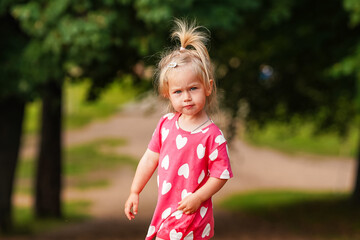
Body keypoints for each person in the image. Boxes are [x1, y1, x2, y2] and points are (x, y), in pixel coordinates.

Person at [124, 19, 233, 240]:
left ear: (208, 87)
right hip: (165, 213)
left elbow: (220, 175)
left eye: (193, 88)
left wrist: (198, 197)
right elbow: (149, 159)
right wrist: (135, 191)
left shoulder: (212, 135)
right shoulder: (166, 125)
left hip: (193, 216)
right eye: (178, 92)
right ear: (167, 93)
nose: (187, 97)